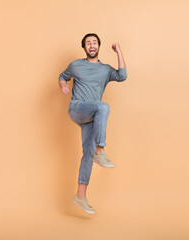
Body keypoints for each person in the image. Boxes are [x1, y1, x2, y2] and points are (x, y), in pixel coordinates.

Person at [58, 33, 127, 214]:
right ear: (84, 47)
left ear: (98, 47)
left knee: (86, 154)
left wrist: (119, 51)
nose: (91, 45)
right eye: (88, 43)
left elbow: (122, 76)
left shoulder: (105, 70)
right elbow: (62, 76)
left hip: (92, 116)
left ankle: (80, 196)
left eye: (94, 42)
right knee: (103, 107)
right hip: (77, 109)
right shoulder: (76, 65)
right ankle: (101, 150)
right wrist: (63, 85)